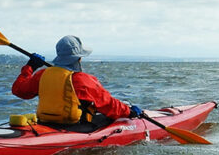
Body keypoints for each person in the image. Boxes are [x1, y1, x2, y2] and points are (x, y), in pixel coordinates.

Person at [11, 35, 145, 130]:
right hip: (76, 127)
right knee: (112, 116)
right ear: (78, 59)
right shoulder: (82, 80)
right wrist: (129, 112)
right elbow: (109, 105)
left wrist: (30, 67)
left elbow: (19, 90)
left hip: (46, 123)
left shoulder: (42, 75)